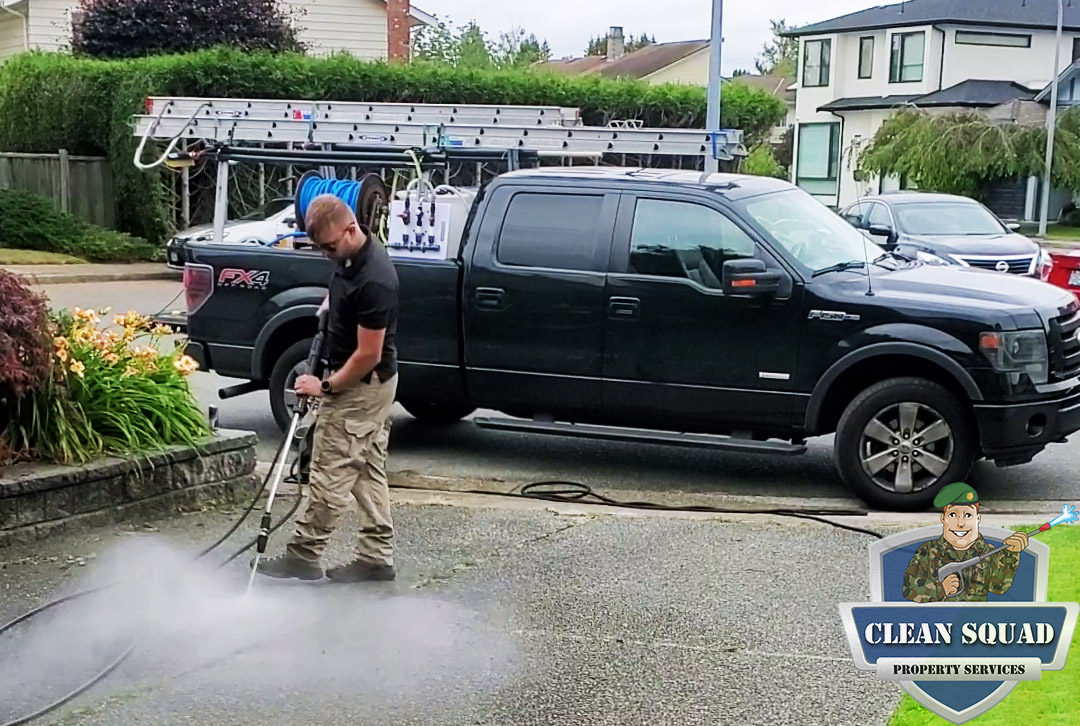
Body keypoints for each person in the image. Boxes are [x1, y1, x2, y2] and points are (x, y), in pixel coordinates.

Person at [256, 193, 400, 583]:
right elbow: (342, 286)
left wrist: (324, 386)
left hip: (361, 385)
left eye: (331, 247)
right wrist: (331, 305)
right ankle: (376, 558)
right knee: (367, 468)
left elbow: (368, 354)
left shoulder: (376, 279)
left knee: (329, 470)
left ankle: (304, 555)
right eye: (321, 249)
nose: (327, 255)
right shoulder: (350, 258)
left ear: (351, 229)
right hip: (370, 384)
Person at [902, 483, 1029, 602]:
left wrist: (1010, 554)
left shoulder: (988, 552)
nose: (960, 523)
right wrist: (941, 589)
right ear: (943, 518)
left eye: (968, 515)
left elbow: (998, 587)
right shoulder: (928, 551)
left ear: (977, 519)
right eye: (953, 515)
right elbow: (909, 588)